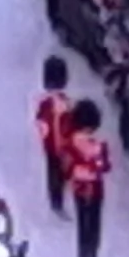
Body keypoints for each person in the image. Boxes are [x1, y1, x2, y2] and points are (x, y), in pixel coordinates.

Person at [64, 99, 111, 257]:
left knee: (86, 224)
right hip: (91, 189)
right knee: (92, 224)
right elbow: (105, 166)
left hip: (84, 189)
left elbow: (68, 168)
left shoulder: (74, 143)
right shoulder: (95, 145)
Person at [34, 56, 73, 216]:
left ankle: (58, 200)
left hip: (61, 145)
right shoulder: (48, 103)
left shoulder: (64, 101)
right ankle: (56, 202)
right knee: (55, 174)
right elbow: (41, 122)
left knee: (60, 173)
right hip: (54, 145)